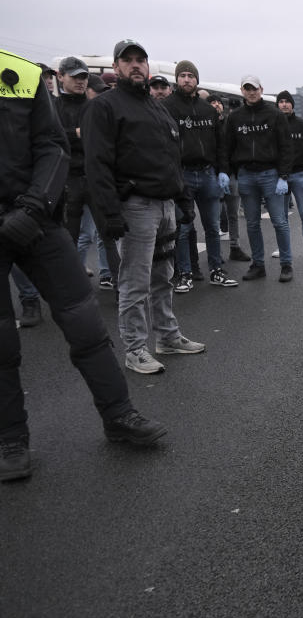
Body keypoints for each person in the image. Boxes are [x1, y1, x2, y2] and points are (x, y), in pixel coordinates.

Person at [0, 48, 167, 481]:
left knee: (88, 326)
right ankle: (11, 440)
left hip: (36, 220)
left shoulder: (18, 72)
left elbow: (52, 146)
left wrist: (34, 206)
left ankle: (119, 415)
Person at [82, 39, 206, 374]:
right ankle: (135, 348)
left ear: (148, 67)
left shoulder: (157, 107)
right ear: (116, 67)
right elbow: (97, 164)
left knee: (163, 277)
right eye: (128, 61)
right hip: (133, 208)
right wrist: (109, 213)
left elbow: (171, 156)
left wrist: (181, 199)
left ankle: (167, 336)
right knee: (135, 282)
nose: (136, 65)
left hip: (164, 205)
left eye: (141, 60)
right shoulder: (104, 107)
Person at [162, 59, 238, 291]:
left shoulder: (208, 110)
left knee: (213, 227)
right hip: (181, 175)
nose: (187, 79)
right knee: (183, 229)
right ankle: (184, 273)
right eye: (182, 75)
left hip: (207, 175)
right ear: (177, 79)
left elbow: (220, 144)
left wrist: (223, 171)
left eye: (191, 75)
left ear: (196, 79)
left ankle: (216, 269)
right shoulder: (167, 107)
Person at [220, 75, 294, 282]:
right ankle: (258, 264)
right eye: (247, 88)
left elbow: (286, 146)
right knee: (252, 223)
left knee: (279, 221)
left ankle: (286, 264)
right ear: (242, 91)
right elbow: (227, 147)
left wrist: (283, 176)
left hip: (270, 174)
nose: (251, 92)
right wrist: (225, 171)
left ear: (261, 89)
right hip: (246, 175)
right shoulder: (235, 117)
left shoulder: (275, 115)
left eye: (254, 88)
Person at [56, 56, 120, 291]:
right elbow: (50, 138)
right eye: (75, 76)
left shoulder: (96, 105)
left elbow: (107, 139)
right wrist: (76, 133)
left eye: (83, 77)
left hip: (95, 178)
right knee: (68, 240)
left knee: (109, 236)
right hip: (67, 180)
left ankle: (120, 288)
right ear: (60, 76)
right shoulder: (52, 106)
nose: (80, 81)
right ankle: (70, 290)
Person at [274, 91, 303, 259]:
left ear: (292, 104)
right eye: (281, 102)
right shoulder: (273, 125)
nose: (284, 104)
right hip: (280, 177)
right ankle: (282, 247)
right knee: (281, 215)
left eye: (287, 102)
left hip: (299, 174)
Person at [207, 94, 250, 263]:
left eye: (218, 102)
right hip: (212, 175)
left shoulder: (230, 124)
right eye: (212, 102)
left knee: (233, 214)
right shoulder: (205, 125)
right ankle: (215, 252)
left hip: (231, 174)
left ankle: (235, 247)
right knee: (213, 216)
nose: (216, 105)